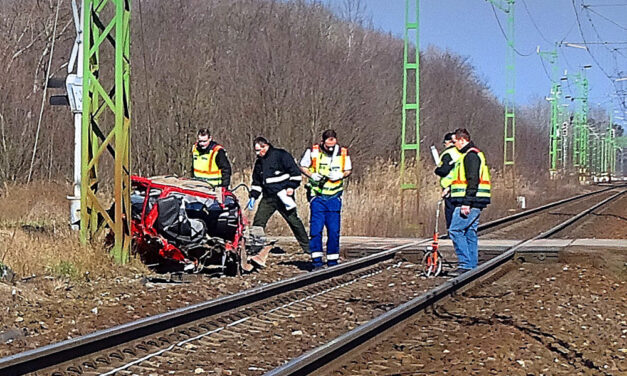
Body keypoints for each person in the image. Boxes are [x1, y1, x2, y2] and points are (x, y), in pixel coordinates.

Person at [247, 137, 310, 256]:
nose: (257, 153)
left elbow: (295, 174)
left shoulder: (281, 155)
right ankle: (256, 248)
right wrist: (253, 196)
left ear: (265, 146)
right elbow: (257, 182)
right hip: (268, 197)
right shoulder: (259, 162)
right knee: (258, 223)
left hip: (283, 196)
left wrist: (291, 187)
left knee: (294, 221)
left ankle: (308, 248)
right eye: (255, 150)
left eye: (259, 150)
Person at [299, 130, 352, 270]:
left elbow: (348, 170)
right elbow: (303, 166)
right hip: (318, 196)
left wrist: (340, 175)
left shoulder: (343, 153)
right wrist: (312, 175)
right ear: (323, 142)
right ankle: (316, 262)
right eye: (328, 143)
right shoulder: (313, 151)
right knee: (316, 230)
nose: (330, 146)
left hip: (334, 197)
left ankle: (332, 261)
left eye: (333, 143)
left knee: (334, 231)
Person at [448, 128, 491, 276]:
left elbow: (473, 180)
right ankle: (471, 265)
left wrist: (466, 202)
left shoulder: (470, 156)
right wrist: (449, 188)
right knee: (469, 232)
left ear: (462, 140)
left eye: (455, 142)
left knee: (455, 230)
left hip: (469, 201)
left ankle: (465, 264)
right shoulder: (474, 154)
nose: (454, 145)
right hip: (476, 200)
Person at [434, 132, 462, 229]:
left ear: (448, 142)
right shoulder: (461, 152)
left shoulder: (448, 154)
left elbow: (444, 170)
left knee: (450, 210)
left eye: (445, 143)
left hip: (450, 186)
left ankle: (451, 231)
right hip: (461, 185)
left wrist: (437, 169)